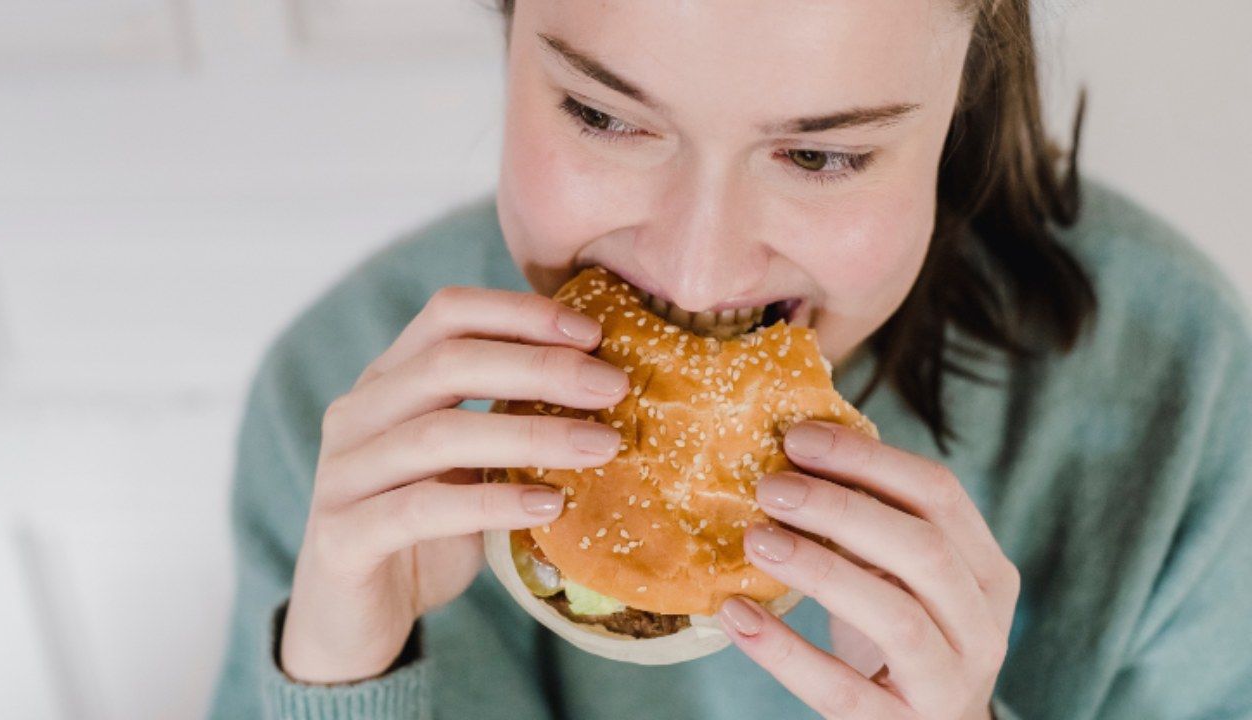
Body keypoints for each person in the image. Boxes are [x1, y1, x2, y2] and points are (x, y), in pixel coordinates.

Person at [208, 1, 1252, 718]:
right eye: (602, 115)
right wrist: (347, 684)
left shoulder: (1182, 388)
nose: (696, 274)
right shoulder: (343, 400)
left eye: (819, 155)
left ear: (963, 104)